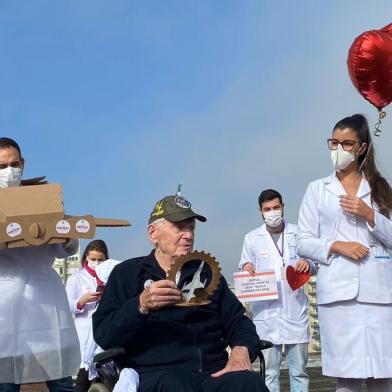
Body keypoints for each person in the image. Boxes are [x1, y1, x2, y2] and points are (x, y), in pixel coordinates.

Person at [93, 193, 269, 392]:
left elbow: (239, 322)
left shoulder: (207, 274)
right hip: (158, 374)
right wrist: (139, 305)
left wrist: (241, 349)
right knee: (176, 384)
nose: (189, 235)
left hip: (213, 373)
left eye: (191, 227)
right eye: (179, 227)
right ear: (153, 234)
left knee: (248, 383)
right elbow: (103, 334)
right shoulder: (128, 274)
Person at [296, 114, 392, 392]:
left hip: (378, 292)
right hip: (338, 294)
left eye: (346, 143)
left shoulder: (380, 188)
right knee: (346, 376)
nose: (338, 149)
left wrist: (369, 215)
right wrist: (337, 246)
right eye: (333, 142)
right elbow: (302, 241)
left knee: (383, 374)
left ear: (361, 147)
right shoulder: (317, 189)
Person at [0, 137, 80, 391]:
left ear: (23, 163)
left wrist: (67, 234)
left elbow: (67, 247)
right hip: (4, 296)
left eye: (14, 164)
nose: (9, 171)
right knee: (5, 376)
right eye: (1, 166)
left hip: (45, 298)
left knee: (59, 375)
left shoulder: (42, 199)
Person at [239, 189, 313, 392]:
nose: (272, 212)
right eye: (267, 209)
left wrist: (307, 263)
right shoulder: (252, 238)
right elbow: (243, 266)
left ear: (283, 207)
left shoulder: (299, 233)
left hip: (295, 312)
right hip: (266, 316)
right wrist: (246, 267)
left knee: (299, 372)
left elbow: (314, 262)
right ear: (260, 211)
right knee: (269, 373)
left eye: (276, 207)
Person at [66, 239, 109, 392]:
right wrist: (82, 301)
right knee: (83, 377)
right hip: (84, 332)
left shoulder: (109, 278)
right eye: (93, 259)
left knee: (104, 377)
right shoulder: (76, 278)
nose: (96, 263)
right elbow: (68, 307)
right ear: (86, 258)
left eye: (100, 260)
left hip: (104, 330)